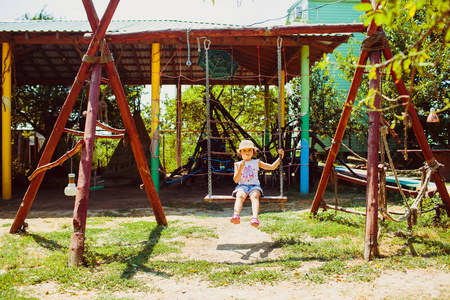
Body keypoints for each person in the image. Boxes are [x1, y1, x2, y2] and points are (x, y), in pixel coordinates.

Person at [230, 140, 284, 227]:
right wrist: (241, 167)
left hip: (254, 186)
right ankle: (236, 215)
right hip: (242, 186)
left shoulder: (256, 162)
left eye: (249, 150)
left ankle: (255, 218)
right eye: (244, 150)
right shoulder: (237, 164)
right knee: (240, 195)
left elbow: (272, 167)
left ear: (253, 152)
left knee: (254, 196)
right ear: (240, 152)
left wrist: (280, 156)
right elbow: (236, 180)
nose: (247, 152)